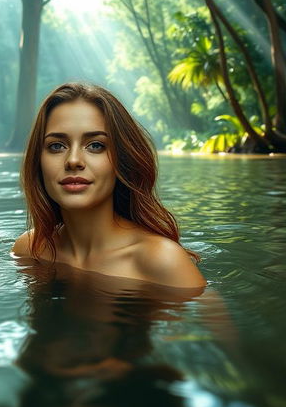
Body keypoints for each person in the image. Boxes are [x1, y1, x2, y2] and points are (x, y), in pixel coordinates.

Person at [12, 82, 206, 290]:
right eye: (56, 146)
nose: (73, 160)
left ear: (121, 161)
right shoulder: (29, 249)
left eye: (96, 145)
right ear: (37, 162)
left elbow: (207, 321)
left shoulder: (162, 260)